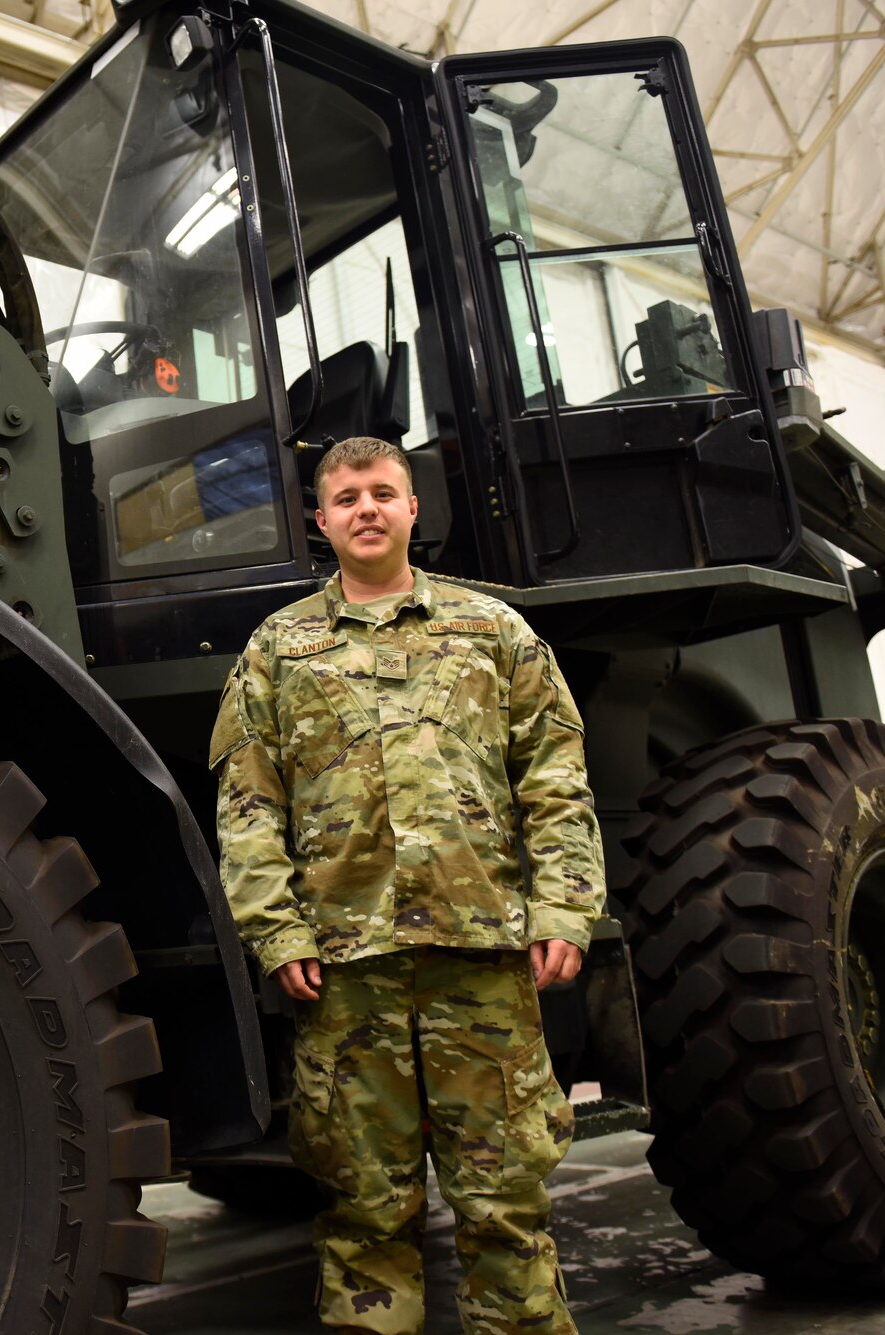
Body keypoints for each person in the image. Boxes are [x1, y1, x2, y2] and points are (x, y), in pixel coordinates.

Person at [209, 435, 603, 1333]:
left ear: (413, 507)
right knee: (362, 1217)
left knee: (505, 1208)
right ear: (321, 521)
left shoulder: (494, 632)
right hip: (348, 974)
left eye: (383, 492)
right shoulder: (278, 649)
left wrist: (565, 909)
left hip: (484, 961)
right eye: (346, 498)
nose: (366, 509)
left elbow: (554, 778)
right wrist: (279, 932)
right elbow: (247, 806)